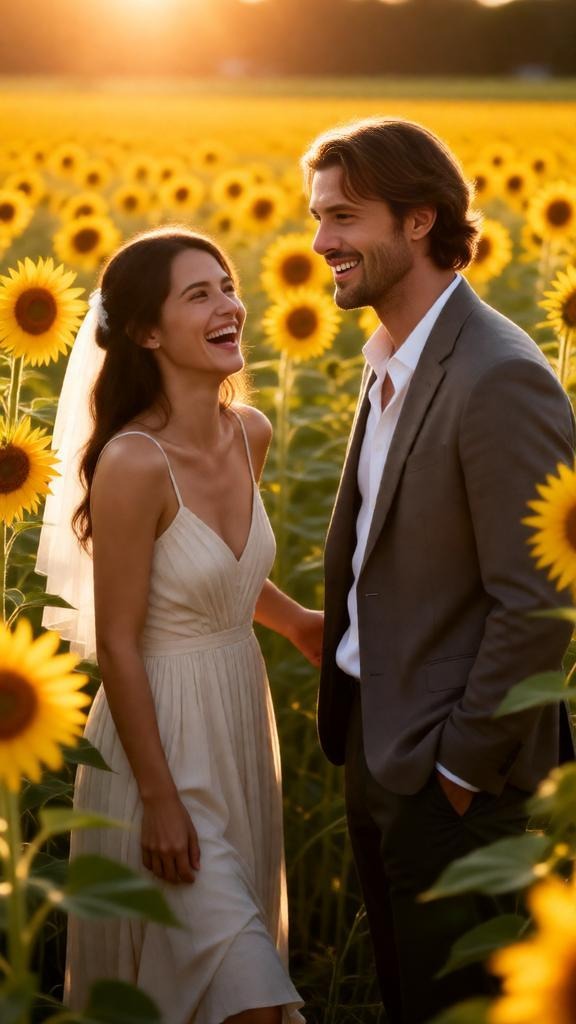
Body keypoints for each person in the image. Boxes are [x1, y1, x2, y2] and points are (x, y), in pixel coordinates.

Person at [301, 118, 575, 1024]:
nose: (320, 243)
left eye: (343, 217)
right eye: (316, 218)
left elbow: (541, 598)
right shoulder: (395, 361)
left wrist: (458, 766)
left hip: (449, 779)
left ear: (419, 221)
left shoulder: (497, 374)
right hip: (378, 748)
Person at [36, 227, 324, 1024]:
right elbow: (120, 638)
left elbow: (215, 575)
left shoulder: (250, 433)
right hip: (158, 736)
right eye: (199, 294)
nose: (230, 304)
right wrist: (160, 798)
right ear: (145, 332)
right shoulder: (132, 462)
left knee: (227, 978)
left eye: (227, 286)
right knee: (248, 998)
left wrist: (298, 622)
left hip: (239, 714)